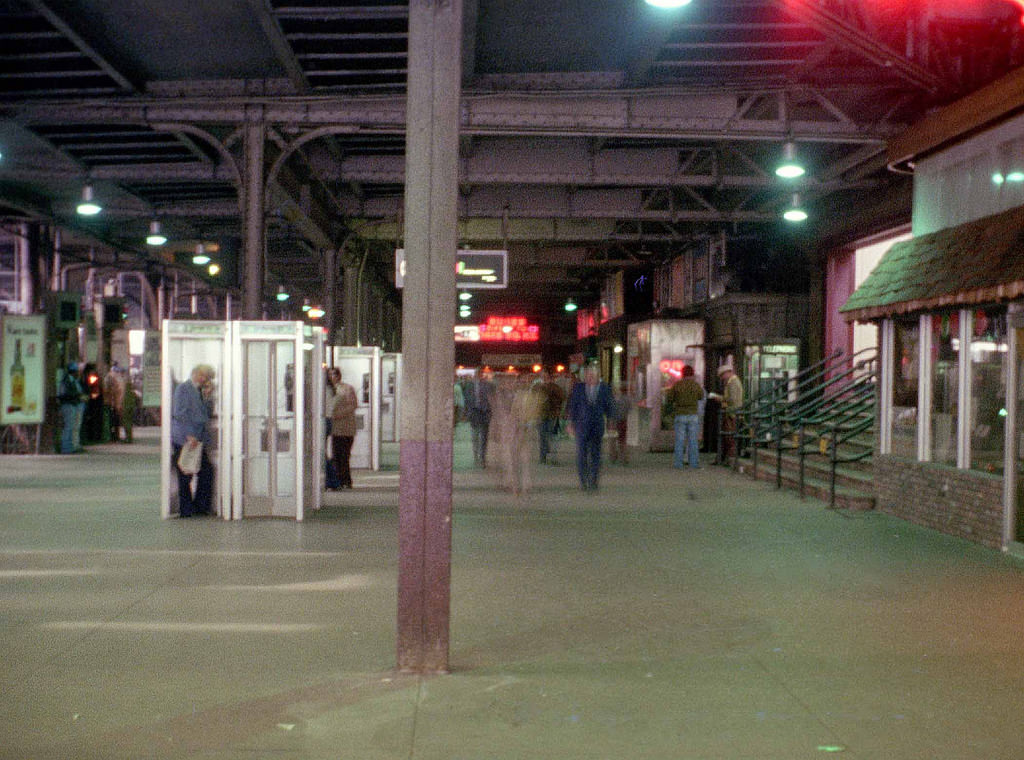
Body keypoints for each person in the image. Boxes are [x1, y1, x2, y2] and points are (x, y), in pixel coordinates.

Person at [171, 364, 216, 517]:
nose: (204, 380)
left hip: (198, 439)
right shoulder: (183, 389)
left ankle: (199, 507)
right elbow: (179, 412)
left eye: (207, 378)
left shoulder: (200, 392)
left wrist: (208, 397)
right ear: (195, 373)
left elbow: (207, 414)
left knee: (205, 471)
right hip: (186, 438)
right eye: (202, 376)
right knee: (185, 474)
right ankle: (187, 508)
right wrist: (189, 435)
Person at [566, 363, 616, 491]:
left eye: (592, 375)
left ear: (597, 376)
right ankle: (583, 481)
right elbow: (572, 406)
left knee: (596, 455)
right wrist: (570, 423)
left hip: (597, 427)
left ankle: (593, 481)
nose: (590, 377)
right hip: (581, 427)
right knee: (581, 455)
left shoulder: (604, 388)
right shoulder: (578, 388)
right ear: (585, 376)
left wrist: (611, 422)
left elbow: (610, 406)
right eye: (588, 375)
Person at [665, 365, 705, 469]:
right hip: (693, 415)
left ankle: (678, 464)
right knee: (693, 441)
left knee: (679, 440)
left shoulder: (677, 385)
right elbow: (701, 396)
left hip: (680, 414)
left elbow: (669, 398)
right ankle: (694, 464)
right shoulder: (695, 385)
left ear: (682, 374)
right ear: (692, 374)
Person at [330, 369, 358, 490]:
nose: (331, 377)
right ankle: (339, 480)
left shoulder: (347, 389)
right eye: (330, 375)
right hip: (335, 429)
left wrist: (337, 415)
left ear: (338, 376)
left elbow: (353, 405)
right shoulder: (328, 390)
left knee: (344, 455)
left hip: (346, 429)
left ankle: (346, 480)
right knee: (336, 455)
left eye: (333, 374)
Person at [463, 370, 495, 468]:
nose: (479, 376)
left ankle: (482, 458)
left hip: (485, 413)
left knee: (484, 436)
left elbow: (492, 398)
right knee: (475, 435)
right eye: (477, 374)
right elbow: (467, 399)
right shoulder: (469, 385)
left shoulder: (488, 385)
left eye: (480, 374)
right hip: (474, 412)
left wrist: (491, 411)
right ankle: (476, 455)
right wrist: (466, 413)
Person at [536, 370, 566, 464]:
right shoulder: (538, 387)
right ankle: (543, 456)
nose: (544, 378)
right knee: (542, 435)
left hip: (552, 415)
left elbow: (562, 398)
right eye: (542, 376)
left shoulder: (555, 387)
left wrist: (559, 410)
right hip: (541, 415)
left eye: (545, 376)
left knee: (549, 435)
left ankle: (550, 455)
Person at [57, 362, 86, 454]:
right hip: (69, 405)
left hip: (75, 405)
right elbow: (64, 394)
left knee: (74, 426)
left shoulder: (74, 380)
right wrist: (78, 396)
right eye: (77, 371)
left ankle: (74, 446)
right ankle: (66, 448)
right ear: (73, 371)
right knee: (69, 427)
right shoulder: (66, 381)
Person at [717, 364, 744, 461]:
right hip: (733, 412)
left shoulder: (733, 382)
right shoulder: (733, 381)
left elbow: (732, 399)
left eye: (722, 375)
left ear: (728, 372)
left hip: (732, 413)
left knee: (730, 436)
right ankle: (728, 456)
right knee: (729, 436)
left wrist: (720, 398)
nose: (722, 378)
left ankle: (731, 457)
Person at [609, 381, 632, 465]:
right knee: (622, 441)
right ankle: (624, 458)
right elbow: (629, 409)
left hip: (613, 422)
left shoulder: (611, 399)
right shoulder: (627, 399)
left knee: (612, 440)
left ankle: (613, 457)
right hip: (623, 421)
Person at [103, 363, 125, 442]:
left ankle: (113, 436)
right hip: (115, 403)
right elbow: (115, 390)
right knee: (115, 421)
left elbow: (109, 390)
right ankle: (115, 436)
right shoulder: (117, 377)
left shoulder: (109, 376)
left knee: (112, 421)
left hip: (113, 403)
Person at [120, 368, 138, 443]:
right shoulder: (131, 387)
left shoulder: (124, 385)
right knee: (129, 422)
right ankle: (129, 437)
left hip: (126, 406)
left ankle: (128, 438)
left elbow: (122, 396)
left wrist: (120, 404)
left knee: (126, 422)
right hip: (131, 406)